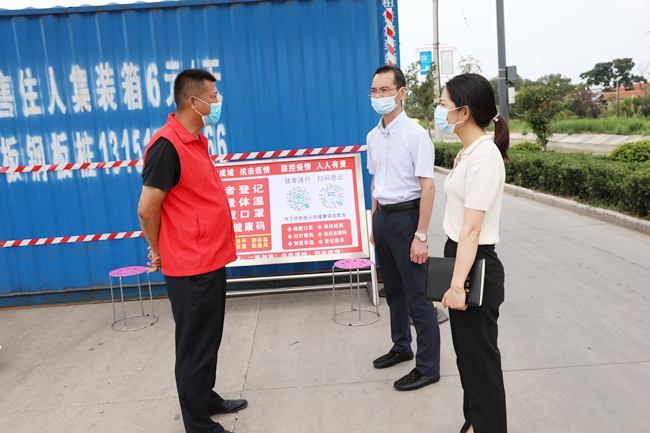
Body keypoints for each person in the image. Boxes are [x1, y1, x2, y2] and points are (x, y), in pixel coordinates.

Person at [138, 68, 246, 433]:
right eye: (213, 97)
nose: (217, 103)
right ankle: (198, 425)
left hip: (210, 258)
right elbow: (147, 209)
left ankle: (206, 398)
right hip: (189, 266)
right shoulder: (167, 146)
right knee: (193, 346)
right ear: (193, 101)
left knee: (208, 339)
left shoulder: (195, 140)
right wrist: (158, 250)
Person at [438, 73, 509, 433]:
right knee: (469, 360)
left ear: (463, 112)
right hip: (463, 258)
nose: (440, 111)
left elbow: (472, 229)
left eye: (444, 104)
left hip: (474, 264)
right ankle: (474, 424)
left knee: (480, 363)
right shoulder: (469, 152)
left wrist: (456, 285)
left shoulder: (483, 157)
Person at [366, 65, 441, 391]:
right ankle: (401, 346)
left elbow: (428, 187)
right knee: (394, 292)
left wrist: (420, 235)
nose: (378, 96)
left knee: (418, 296)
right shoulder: (372, 136)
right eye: (374, 91)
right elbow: (375, 182)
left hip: (408, 219)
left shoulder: (415, 134)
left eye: (385, 90)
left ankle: (428, 366)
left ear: (401, 93)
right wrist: (374, 221)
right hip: (383, 220)